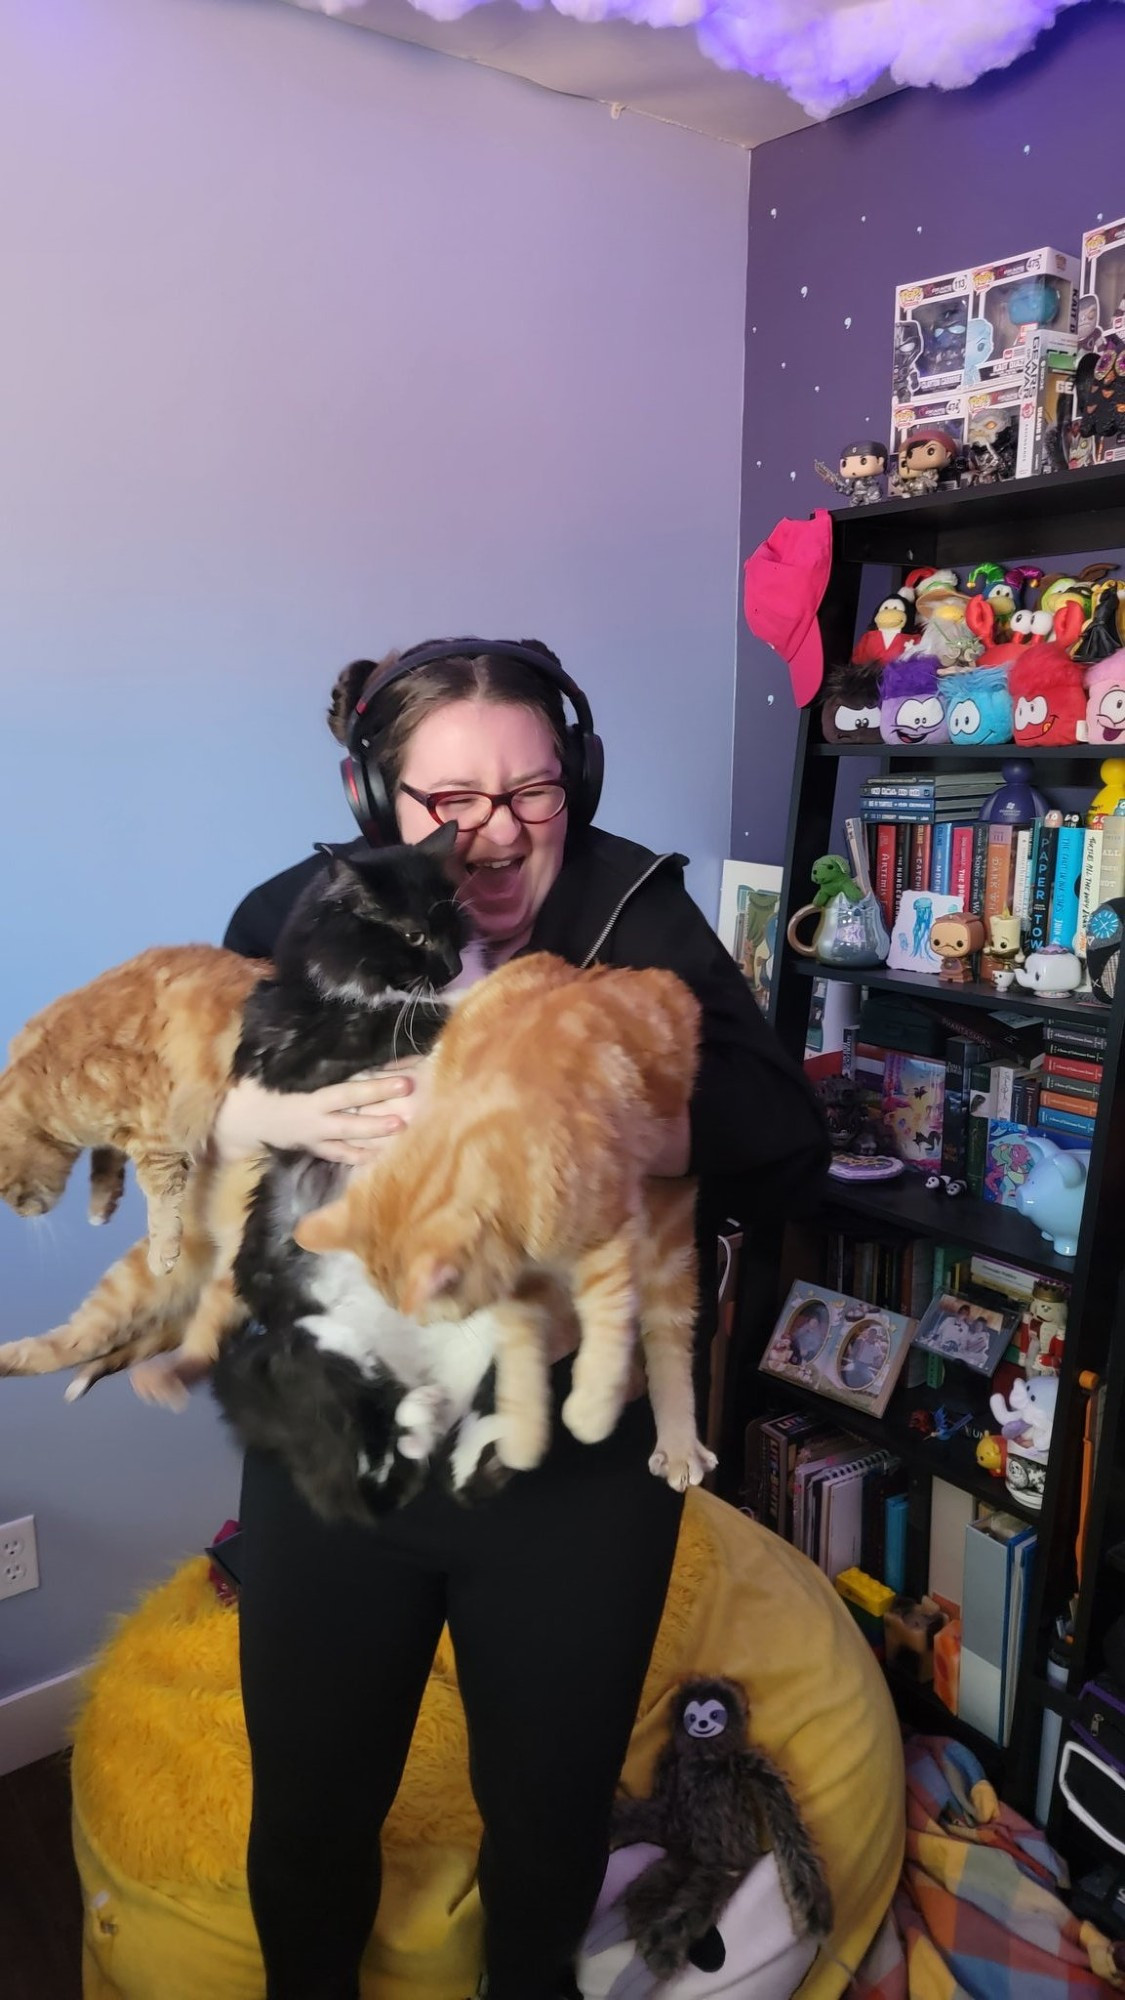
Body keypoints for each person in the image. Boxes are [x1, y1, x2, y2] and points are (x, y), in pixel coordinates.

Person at [215, 638, 829, 2000]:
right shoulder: (288, 911)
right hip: (339, 1440)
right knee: (308, 1813)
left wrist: (589, 1113)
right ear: (379, 799)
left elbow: (785, 1136)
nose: (493, 834)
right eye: (449, 801)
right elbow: (199, 1112)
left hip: (571, 1467)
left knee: (547, 1825)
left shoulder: (636, 908)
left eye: (531, 792)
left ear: (577, 779)